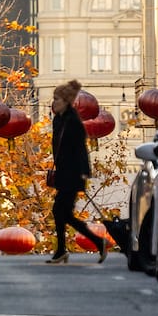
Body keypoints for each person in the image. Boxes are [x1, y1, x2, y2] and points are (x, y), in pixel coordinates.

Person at [46, 79, 103, 264]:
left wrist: (84, 173)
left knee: (60, 211)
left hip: (73, 174)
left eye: (57, 99)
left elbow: (81, 149)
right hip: (63, 174)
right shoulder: (59, 120)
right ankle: (64, 249)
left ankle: (71, 248)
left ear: (66, 102)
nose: (54, 102)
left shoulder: (73, 122)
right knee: (62, 213)